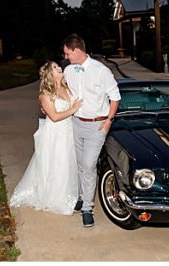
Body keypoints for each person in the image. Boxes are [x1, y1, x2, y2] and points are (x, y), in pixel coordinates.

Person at [9, 61, 84, 215]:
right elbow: (55, 117)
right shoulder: (46, 94)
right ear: (50, 74)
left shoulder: (67, 87)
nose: (59, 68)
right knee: (58, 163)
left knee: (70, 162)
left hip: (70, 130)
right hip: (56, 133)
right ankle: (57, 197)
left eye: (58, 66)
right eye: (55, 68)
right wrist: (73, 108)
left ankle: (73, 194)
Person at [63, 34, 121, 227]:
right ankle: (82, 197)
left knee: (89, 165)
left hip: (97, 125)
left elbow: (115, 97)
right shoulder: (69, 70)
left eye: (67, 53)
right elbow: (62, 90)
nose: (66, 57)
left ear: (77, 51)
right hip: (76, 122)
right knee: (80, 164)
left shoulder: (100, 71)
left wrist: (108, 121)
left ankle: (87, 208)